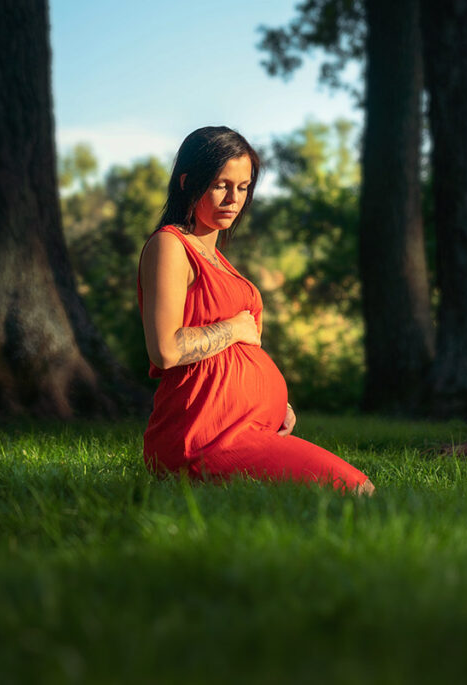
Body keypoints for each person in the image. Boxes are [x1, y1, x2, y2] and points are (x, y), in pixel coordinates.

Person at [137, 126, 374, 495]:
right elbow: (164, 350)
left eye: (243, 187)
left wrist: (278, 404)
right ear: (187, 182)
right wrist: (233, 328)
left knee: (353, 490)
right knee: (355, 490)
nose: (234, 198)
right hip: (202, 436)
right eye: (220, 185)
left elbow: (240, 358)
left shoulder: (217, 260)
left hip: (245, 429)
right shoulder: (170, 245)